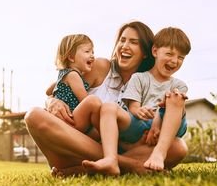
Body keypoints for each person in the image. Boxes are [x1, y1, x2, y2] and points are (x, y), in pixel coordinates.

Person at [24, 21, 188, 176]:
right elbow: (61, 85)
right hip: (73, 146)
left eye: (133, 42)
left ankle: (86, 168)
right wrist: (53, 101)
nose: (125, 46)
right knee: (34, 116)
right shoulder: (100, 67)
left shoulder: (150, 83)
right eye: (122, 40)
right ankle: (127, 165)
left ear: (146, 52)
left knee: (178, 147)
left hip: (122, 149)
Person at [82, 27, 191, 175]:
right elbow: (133, 106)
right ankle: (110, 159)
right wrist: (138, 110)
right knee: (108, 107)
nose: (174, 61)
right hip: (141, 124)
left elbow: (172, 111)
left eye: (180, 58)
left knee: (176, 98)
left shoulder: (179, 85)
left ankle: (159, 153)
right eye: (169, 54)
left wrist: (157, 122)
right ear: (155, 52)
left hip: (169, 126)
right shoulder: (139, 78)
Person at [48, 34, 101, 140]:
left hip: (66, 120)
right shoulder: (73, 75)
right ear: (71, 57)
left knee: (100, 137)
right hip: (71, 119)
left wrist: (53, 98)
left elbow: (48, 91)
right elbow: (85, 99)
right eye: (87, 51)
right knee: (93, 102)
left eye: (92, 52)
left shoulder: (63, 74)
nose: (92, 56)